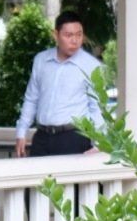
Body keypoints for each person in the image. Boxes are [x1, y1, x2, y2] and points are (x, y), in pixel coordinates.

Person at [14, 10, 103, 157]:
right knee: (37, 172)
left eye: (79, 35)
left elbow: (97, 107)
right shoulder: (41, 60)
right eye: (68, 35)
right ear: (56, 35)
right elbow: (31, 99)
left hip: (74, 137)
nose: (75, 41)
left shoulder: (91, 66)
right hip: (42, 137)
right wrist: (21, 132)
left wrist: (99, 143)